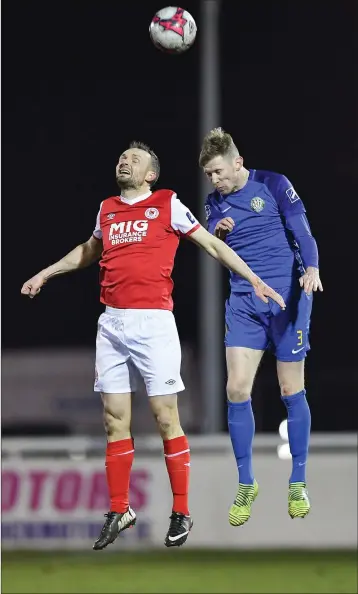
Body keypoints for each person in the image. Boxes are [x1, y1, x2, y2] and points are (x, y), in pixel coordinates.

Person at [21, 140, 285, 550]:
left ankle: (181, 510)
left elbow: (212, 244)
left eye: (135, 159)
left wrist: (253, 279)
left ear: (150, 175)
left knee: (165, 418)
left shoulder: (167, 203)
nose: (124, 160)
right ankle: (120, 508)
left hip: (154, 323)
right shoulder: (106, 208)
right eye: (122, 156)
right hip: (111, 323)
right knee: (113, 421)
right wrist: (47, 272)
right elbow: (90, 250)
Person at [199, 128, 323, 526]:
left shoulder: (273, 183)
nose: (215, 181)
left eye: (218, 172)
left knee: (291, 389)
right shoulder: (212, 204)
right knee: (236, 388)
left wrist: (313, 268)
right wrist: (218, 238)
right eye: (209, 176)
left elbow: (302, 232)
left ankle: (298, 480)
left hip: (287, 298)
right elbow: (223, 255)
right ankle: (246, 482)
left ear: (237, 162)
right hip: (244, 304)